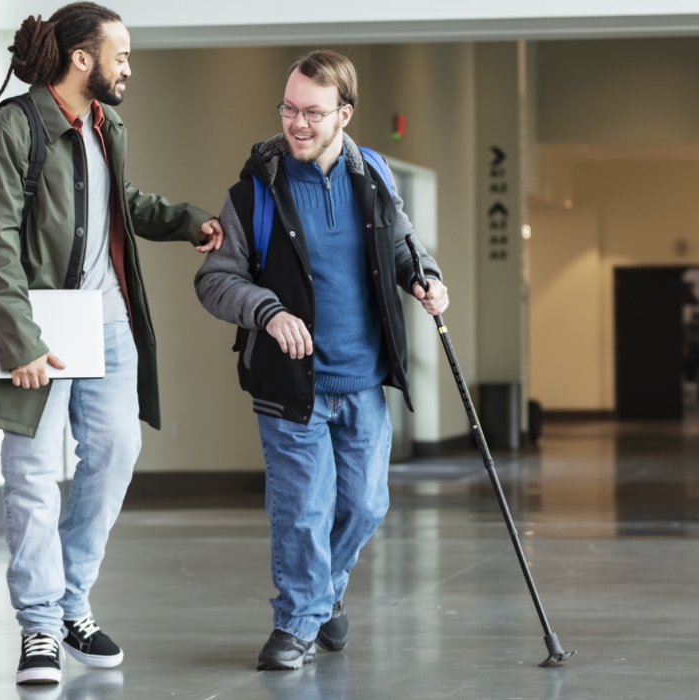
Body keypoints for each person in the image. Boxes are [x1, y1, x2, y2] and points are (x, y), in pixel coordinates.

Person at [0, 2, 223, 686]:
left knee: (118, 449)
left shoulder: (105, 125)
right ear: (82, 60)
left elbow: (114, 201)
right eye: (120, 54)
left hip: (107, 320)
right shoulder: (6, 131)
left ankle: (70, 602)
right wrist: (21, 344)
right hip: (36, 328)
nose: (130, 66)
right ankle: (39, 626)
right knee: (33, 476)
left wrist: (187, 222)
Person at [195, 49, 449, 671]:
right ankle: (296, 623)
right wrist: (268, 311)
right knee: (303, 508)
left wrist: (428, 279)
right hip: (290, 385)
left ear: (345, 114)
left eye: (312, 112)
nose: (297, 123)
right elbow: (214, 280)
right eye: (288, 108)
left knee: (366, 504)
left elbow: (406, 247)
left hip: (363, 380)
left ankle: (323, 595)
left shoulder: (376, 178)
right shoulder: (255, 190)